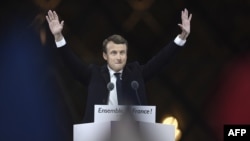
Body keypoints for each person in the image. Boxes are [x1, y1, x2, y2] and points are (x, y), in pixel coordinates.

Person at [46, 8, 192, 123]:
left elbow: (161, 60)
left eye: (122, 53)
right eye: (114, 53)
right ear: (105, 56)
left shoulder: (136, 73)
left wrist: (182, 37)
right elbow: (71, 63)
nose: (118, 57)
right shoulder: (93, 74)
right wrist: (58, 37)